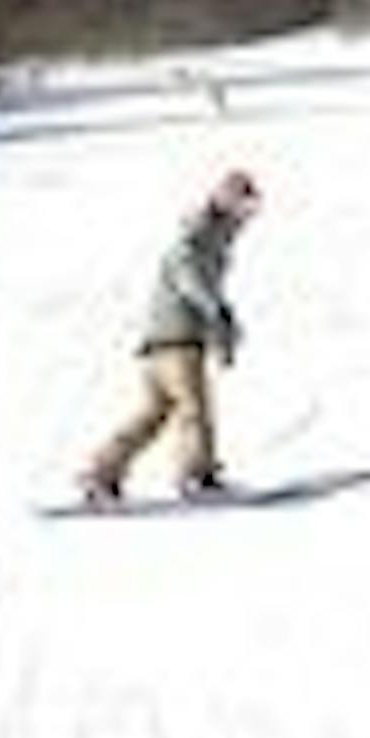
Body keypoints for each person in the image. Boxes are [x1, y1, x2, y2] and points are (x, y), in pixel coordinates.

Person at [74, 166, 259, 506]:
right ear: (226, 204)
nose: (246, 220)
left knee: (153, 414)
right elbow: (192, 283)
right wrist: (218, 316)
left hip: (159, 344)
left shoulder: (210, 242)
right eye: (242, 209)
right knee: (194, 408)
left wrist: (222, 331)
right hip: (176, 341)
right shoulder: (197, 240)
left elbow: (205, 293)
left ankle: (101, 473)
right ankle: (196, 475)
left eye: (250, 211)